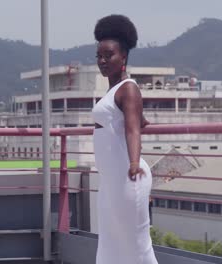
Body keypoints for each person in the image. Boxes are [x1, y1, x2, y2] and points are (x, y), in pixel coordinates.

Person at [91, 14, 157, 264]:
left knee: (137, 245)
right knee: (110, 243)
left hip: (130, 176)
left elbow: (132, 130)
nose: (102, 60)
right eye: (99, 56)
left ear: (124, 57)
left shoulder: (128, 88)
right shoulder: (115, 91)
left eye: (109, 55)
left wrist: (133, 162)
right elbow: (134, 121)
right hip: (111, 180)